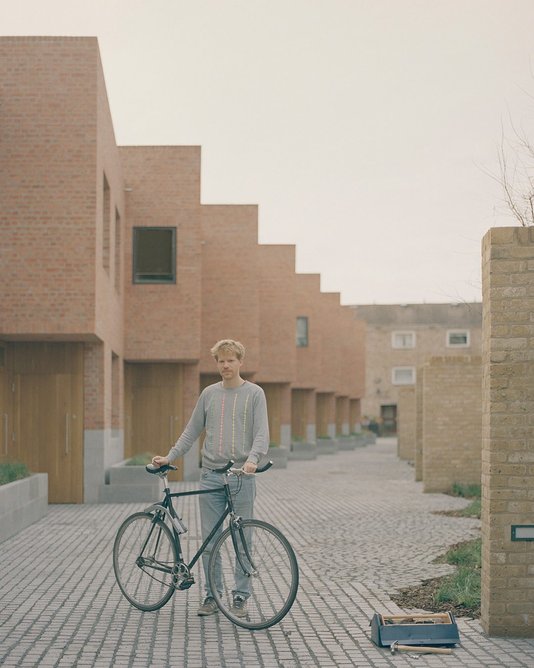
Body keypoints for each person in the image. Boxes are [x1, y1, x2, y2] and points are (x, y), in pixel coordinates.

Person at [152, 339, 269, 617]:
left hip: (241, 477)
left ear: (241, 361)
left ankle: (240, 597)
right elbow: (192, 431)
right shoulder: (209, 394)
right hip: (211, 478)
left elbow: (261, 433)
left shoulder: (254, 394)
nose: (225, 365)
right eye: (221, 361)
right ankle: (212, 596)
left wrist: (253, 460)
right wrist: (170, 456)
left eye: (230, 360)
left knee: (243, 538)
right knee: (210, 541)